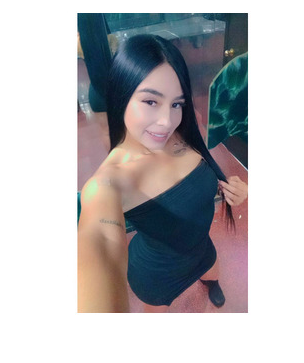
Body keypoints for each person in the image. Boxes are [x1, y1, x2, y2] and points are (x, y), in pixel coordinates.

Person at [77, 34, 248, 313]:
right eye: (150, 101)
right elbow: (100, 250)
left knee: (212, 273)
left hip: (203, 251)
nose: (167, 121)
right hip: (158, 276)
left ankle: (212, 284)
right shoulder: (107, 185)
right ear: (121, 96)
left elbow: (198, 180)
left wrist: (230, 187)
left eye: (176, 104)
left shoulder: (182, 131)